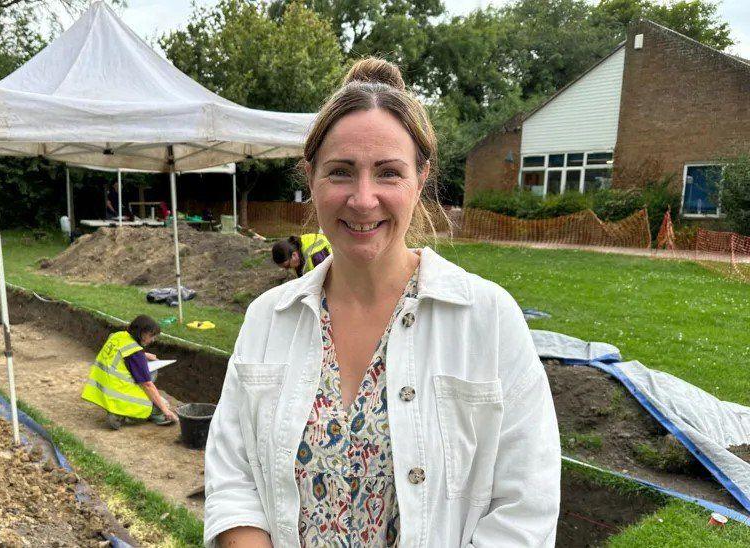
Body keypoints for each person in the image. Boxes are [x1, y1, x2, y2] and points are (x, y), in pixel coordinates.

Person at [204, 58, 560, 547]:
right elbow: (232, 473)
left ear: (421, 177)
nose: (363, 199)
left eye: (388, 173)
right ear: (311, 177)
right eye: (341, 172)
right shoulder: (268, 318)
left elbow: (526, 510)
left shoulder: (488, 320)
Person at [81, 315, 179, 429]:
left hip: (102, 388)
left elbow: (119, 352)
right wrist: (165, 410)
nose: (153, 340)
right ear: (141, 333)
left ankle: (117, 409)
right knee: (160, 404)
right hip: (116, 393)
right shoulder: (135, 353)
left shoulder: (117, 335)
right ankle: (120, 415)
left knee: (150, 383)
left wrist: (144, 355)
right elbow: (147, 385)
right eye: (151, 335)